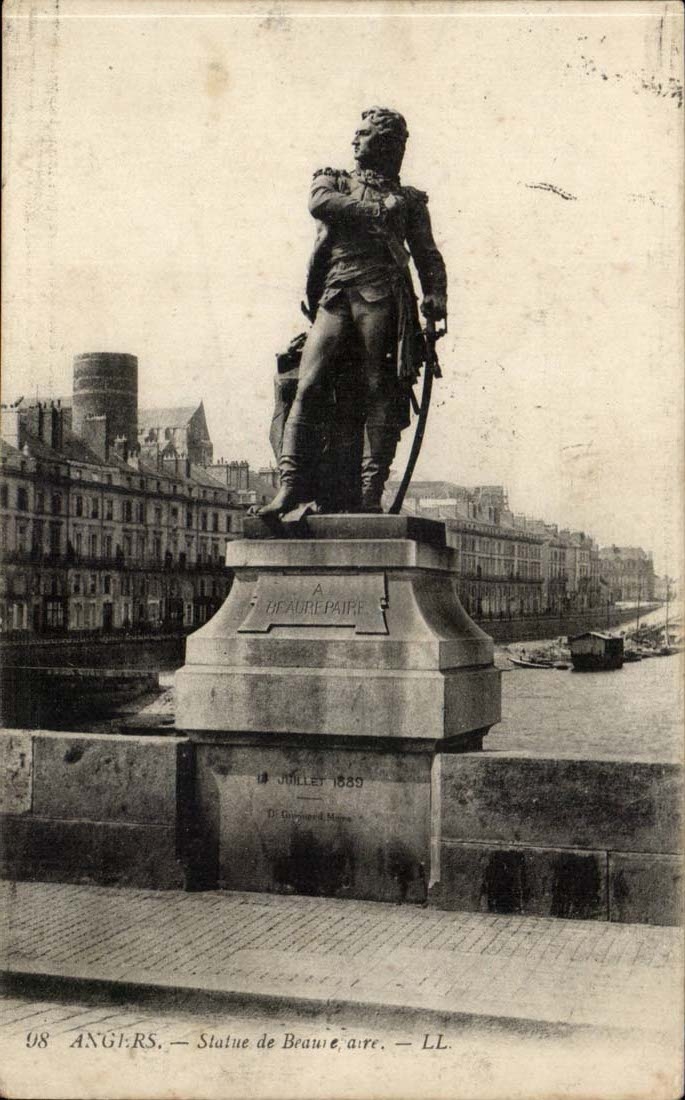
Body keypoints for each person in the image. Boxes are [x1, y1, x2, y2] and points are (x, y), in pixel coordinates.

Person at [260, 106, 447, 516]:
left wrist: (436, 295)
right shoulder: (334, 181)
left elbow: (427, 254)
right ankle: (289, 486)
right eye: (357, 133)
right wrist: (379, 212)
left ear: (385, 143)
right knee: (307, 385)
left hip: (383, 294)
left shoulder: (412, 202)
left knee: (379, 387)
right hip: (335, 293)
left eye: (364, 134)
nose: (355, 141)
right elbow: (320, 203)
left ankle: (369, 491)